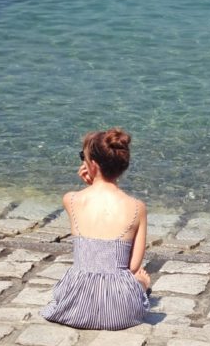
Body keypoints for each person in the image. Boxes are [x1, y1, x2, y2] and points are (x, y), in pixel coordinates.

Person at [41, 127, 151, 330]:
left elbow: (94, 201)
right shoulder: (137, 208)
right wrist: (141, 284)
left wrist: (91, 183)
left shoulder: (71, 200)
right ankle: (143, 286)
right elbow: (133, 266)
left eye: (82, 157)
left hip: (75, 306)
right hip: (120, 313)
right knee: (140, 278)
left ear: (91, 165)